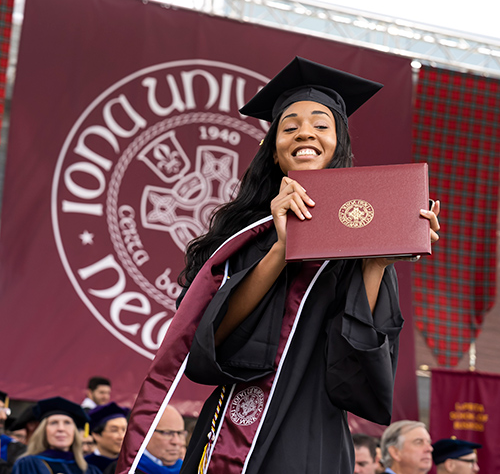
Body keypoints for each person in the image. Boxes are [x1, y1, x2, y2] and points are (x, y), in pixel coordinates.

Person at [116, 56, 441, 474]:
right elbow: (206, 341)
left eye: (321, 124)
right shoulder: (241, 237)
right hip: (230, 427)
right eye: (289, 126)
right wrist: (279, 248)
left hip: (312, 437)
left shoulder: (363, 241)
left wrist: (376, 263)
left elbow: (358, 374)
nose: (305, 132)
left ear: (338, 144)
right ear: (273, 152)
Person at [12, 396, 101, 474]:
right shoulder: (28, 464)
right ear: (43, 431)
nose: (61, 428)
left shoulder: (90, 470)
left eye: (67, 423)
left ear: (74, 431)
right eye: (53, 423)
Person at [104, 406, 185, 474]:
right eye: (167, 433)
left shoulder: (188, 469)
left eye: (180, 433)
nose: (176, 441)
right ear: (145, 433)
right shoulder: (124, 469)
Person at [85, 403, 129, 472]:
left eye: (124, 429)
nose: (122, 436)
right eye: (114, 430)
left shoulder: (132, 463)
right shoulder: (84, 465)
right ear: (96, 435)